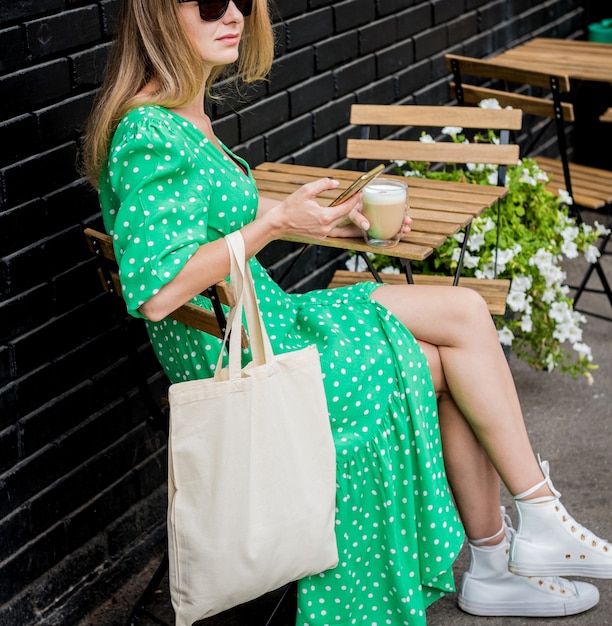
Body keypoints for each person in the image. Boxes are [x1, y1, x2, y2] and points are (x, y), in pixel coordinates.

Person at [82, 1, 612, 623]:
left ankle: (535, 523)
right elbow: (157, 291)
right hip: (254, 360)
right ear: (157, 15)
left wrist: (333, 213)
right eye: (205, 1)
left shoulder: (182, 110)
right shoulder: (148, 131)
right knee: (447, 362)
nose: (230, 14)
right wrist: (276, 224)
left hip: (270, 324)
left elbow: (208, 218)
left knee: (465, 313)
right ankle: (497, 561)